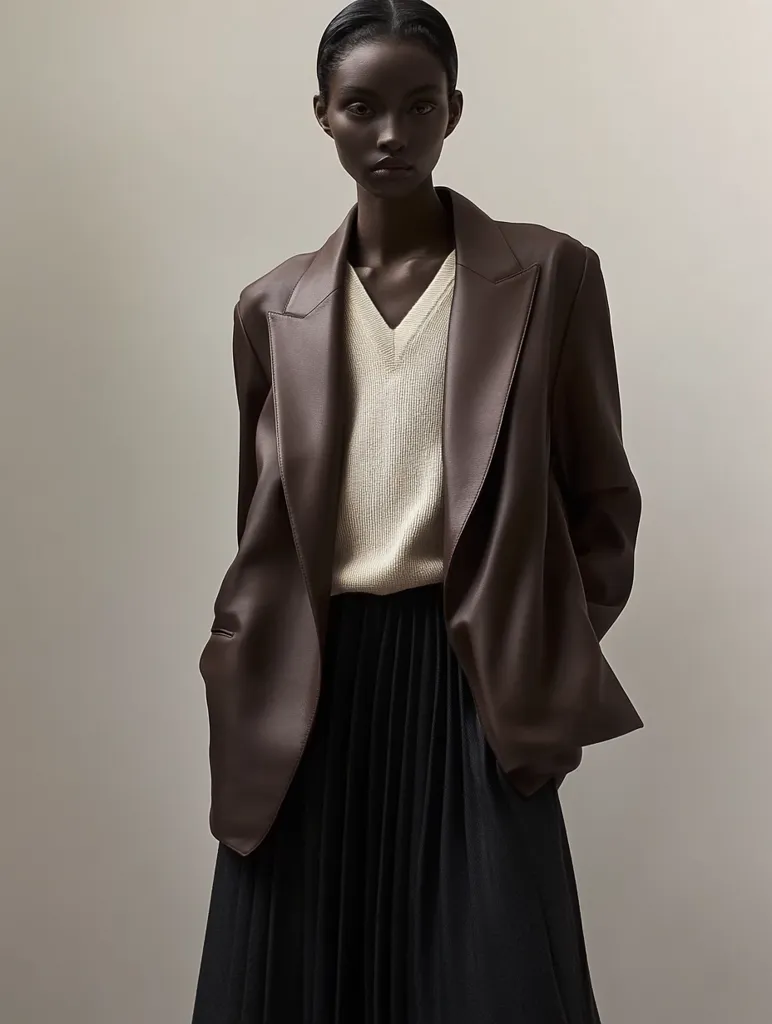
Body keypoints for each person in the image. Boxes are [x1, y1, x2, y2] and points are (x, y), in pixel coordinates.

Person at [191, 2, 642, 1021]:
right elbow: (262, 527)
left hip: (472, 668)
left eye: (417, 106)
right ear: (323, 114)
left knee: (494, 979)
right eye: (363, 107)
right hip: (311, 681)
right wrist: (236, 653)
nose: (391, 133)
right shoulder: (273, 309)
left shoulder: (546, 275)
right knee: (302, 983)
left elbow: (602, 497)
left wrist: (544, 648)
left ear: (454, 112)